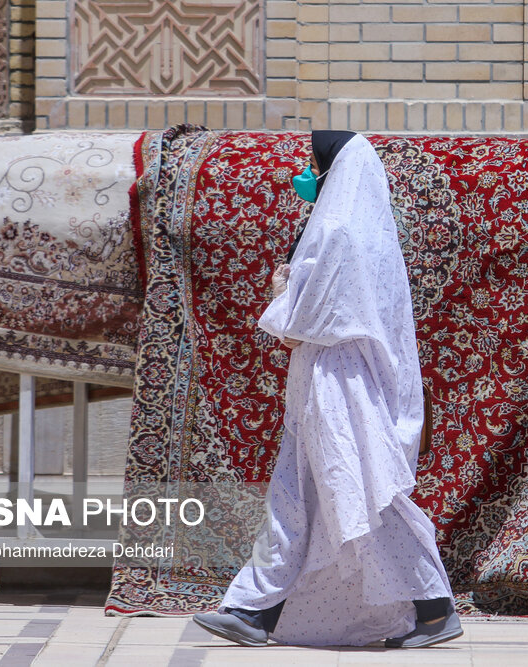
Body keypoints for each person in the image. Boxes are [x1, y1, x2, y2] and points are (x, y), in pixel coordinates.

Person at [193, 131, 461, 648]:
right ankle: (254, 612)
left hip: (340, 388)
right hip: (330, 384)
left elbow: (299, 327)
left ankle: (434, 607)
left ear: (333, 169)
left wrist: (279, 295)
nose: (307, 175)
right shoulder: (360, 230)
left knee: (360, 498)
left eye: (314, 166)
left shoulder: (338, 232)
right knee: (306, 500)